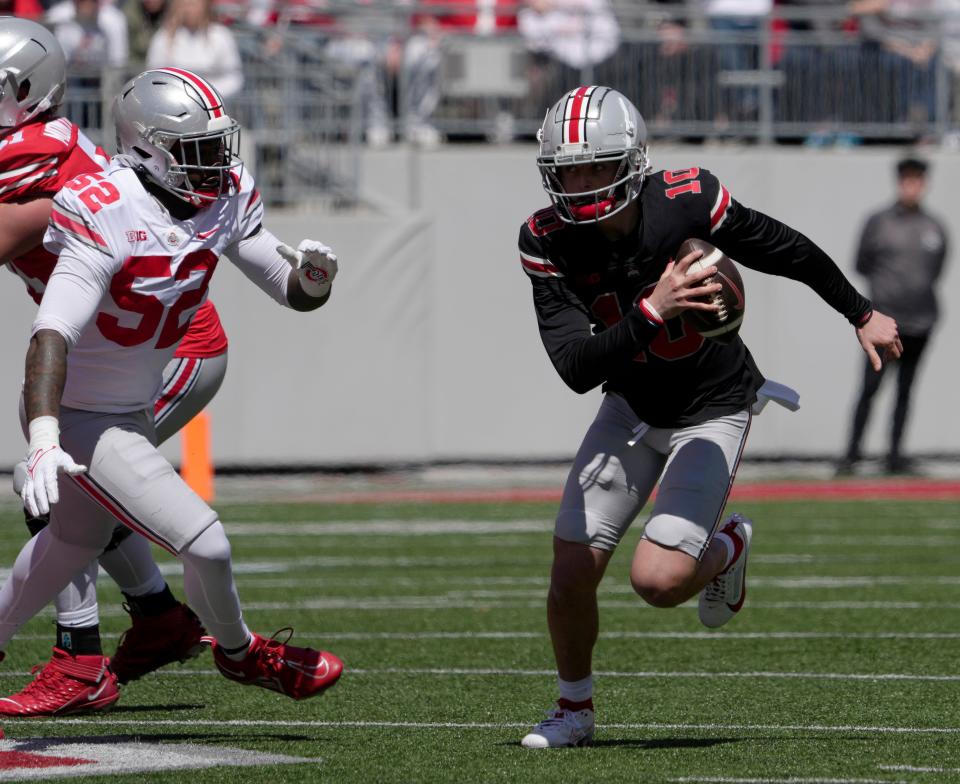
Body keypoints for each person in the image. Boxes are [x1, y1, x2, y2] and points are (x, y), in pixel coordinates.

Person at [517, 85, 902, 748]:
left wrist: (860, 311)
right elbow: (577, 368)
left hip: (713, 406)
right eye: (567, 170)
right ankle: (573, 709)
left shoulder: (683, 200)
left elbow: (781, 246)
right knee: (571, 571)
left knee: (659, 583)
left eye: (593, 166)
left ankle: (730, 545)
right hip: (631, 404)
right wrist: (653, 309)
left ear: (632, 162)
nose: (577, 184)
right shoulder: (546, 239)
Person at [0, 67, 344, 732]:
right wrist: (45, 438)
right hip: (82, 415)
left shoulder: (223, 194)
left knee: (69, 544)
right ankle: (244, 654)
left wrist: (315, 280)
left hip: (129, 405)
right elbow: (52, 333)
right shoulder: (103, 203)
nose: (217, 162)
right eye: (198, 150)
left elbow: (288, 288)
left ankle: (124, 643)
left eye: (219, 146)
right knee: (206, 543)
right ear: (147, 151)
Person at [0, 16, 228, 717]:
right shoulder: (42, 143)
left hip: (164, 353)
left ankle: (81, 658)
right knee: (82, 491)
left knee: (55, 480)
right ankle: (157, 617)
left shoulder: (39, 149)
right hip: (123, 352)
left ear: (26, 88)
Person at [838, 156, 947, 476]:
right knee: (869, 388)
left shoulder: (934, 226)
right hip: (885, 325)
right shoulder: (879, 222)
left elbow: (937, 270)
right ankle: (852, 454)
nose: (912, 186)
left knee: (905, 391)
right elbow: (860, 263)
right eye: (907, 180)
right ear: (899, 182)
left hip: (921, 322)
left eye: (918, 180)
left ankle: (895, 456)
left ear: (924, 184)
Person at [146, 0, 243, 104]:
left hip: (214, 106)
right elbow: (154, 74)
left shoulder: (220, 35)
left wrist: (207, 93)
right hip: (175, 104)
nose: (190, 9)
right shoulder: (163, 37)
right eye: (185, 4)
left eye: (194, 4)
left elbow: (234, 77)